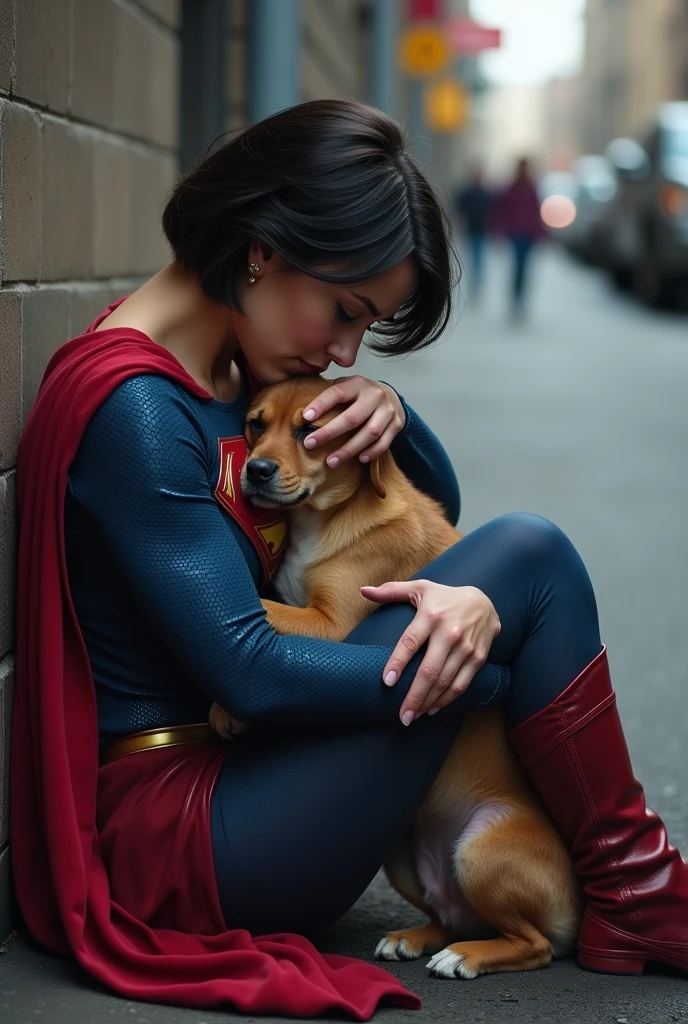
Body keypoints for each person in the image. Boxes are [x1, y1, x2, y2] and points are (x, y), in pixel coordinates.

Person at [12, 100, 687, 1019]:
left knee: (522, 559)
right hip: (188, 840)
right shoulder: (136, 404)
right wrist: (479, 673)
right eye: (345, 311)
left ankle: (635, 892)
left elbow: (437, 505)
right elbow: (248, 674)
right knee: (528, 559)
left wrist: (388, 410)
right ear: (262, 248)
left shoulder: (234, 374)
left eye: (364, 332)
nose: (342, 350)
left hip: (254, 786)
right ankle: (640, 896)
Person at [491, 156, 546, 319]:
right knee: (518, 266)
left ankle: (520, 299)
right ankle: (516, 299)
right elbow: (503, 210)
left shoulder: (532, 188)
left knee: (524, 268)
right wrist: (501, 230)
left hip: (529, 233)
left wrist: (541, 233)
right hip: (516, 233)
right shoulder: (511, 188)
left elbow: (537, 212)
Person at [453, 164, 492, 301]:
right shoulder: (467, 193)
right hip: (470, 230)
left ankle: (476, 283)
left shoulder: (486, 193)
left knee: (478, 257)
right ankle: (474, 283)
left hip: (481, 230)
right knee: (473, 257)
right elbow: (459, 210)